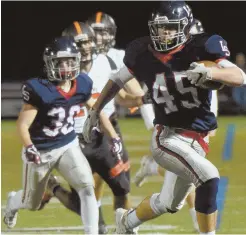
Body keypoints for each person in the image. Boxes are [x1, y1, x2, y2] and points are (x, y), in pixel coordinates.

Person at [82, 1, 246, 234]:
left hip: (197, 137)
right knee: (209, 177)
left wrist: (211, 72)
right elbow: (117, 79)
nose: (164, 33)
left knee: (168, 203)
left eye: (170, 27)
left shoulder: (203, 46)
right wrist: (96, 110)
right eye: (160, 28)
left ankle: (125, 222)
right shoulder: (142, 51)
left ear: (186, 27)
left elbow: (239, 76)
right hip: (167, 137)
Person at [3, 36, 102, 234]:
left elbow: (94, 106)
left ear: (76, 61)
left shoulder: (82, 83)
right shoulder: (40, 88)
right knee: (32, 203)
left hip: (67, 145)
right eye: (60, 62)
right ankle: (13, 203)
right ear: (50, 64)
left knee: (87, 187)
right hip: (41, 151)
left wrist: (107, 128)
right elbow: (23, 124)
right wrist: (29, 147)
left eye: (69, 61)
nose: (65, 66)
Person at [41, 22, 132, 234]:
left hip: (101, 134)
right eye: (79, 43)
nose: (86, 47)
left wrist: (145, 98)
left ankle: (124, 227)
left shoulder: (105, 62)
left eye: (88, 41)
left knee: (122, 186)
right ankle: (55, 188)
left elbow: (106, 105)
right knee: (85, 199)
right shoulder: (59, 75)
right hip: (72, 141)